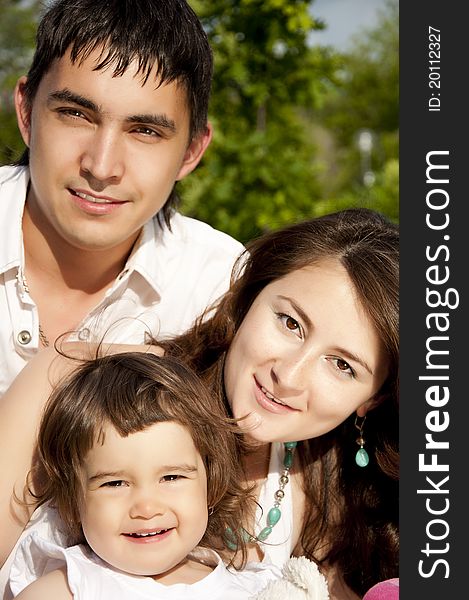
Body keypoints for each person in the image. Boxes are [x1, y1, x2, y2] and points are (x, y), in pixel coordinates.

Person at [0, 208, 399, 600]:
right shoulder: (81, 385)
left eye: (342, 366)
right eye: (290, 323)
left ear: (374, 398)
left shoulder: (325, 491)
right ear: (250, 297)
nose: (289, 376)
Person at [0, 0, 244, 397]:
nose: (101, 166)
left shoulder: (222, 291)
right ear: (27, 111)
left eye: (145, 131)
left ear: (191, 151)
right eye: (76, 114)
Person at [9, 353, 292, 599]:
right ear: (73, 503)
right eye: (115, 483)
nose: (146, 508)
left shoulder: (258, 588)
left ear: (210, 483)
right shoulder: (68, 589)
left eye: (171, 478)